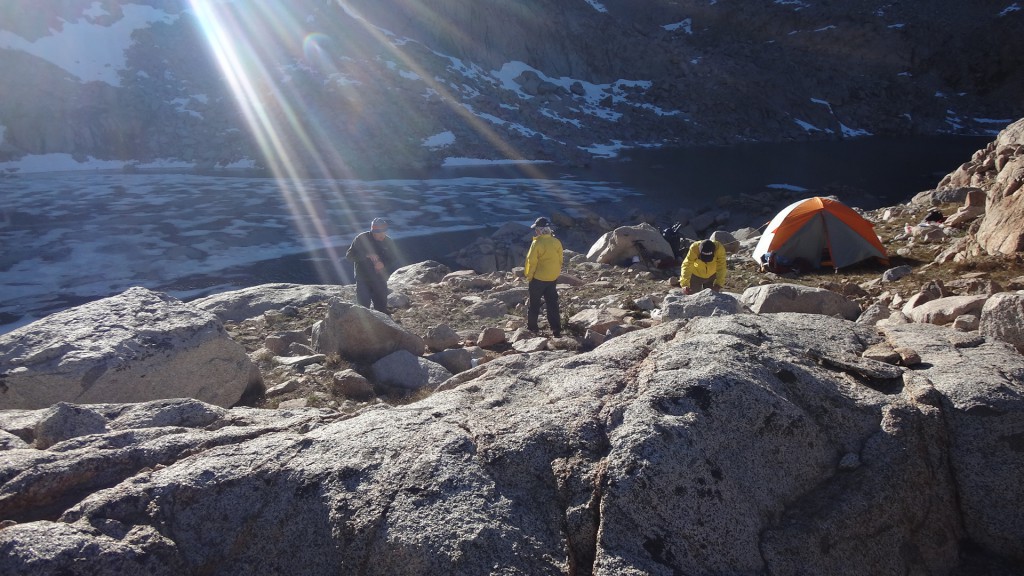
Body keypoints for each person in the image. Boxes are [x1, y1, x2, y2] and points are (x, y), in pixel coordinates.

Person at [346, 217, 397, 313]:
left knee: (381, 305)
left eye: (384, 232)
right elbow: (349, 256)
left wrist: (383, 264)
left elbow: (393, 258)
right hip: (363, 278)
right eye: (379, 233)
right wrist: (366, 255)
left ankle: (383, 322)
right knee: (363, 307)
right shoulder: (361, 239)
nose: (383, 235)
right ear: (373, 231)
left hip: (380, 278)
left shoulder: (388, 241)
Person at [524, 216, 564, 337]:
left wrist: (529, 276)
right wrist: (555, 273)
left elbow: (531, 262)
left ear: (540, 230)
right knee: (552, 303)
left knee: (534, 304)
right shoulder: (556, 242)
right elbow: (560, 259)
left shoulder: (537, 243)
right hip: (552, 278)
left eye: (536, 229)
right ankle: (556, 329)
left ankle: (532, 328)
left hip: (538, 279)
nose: (535, 231)